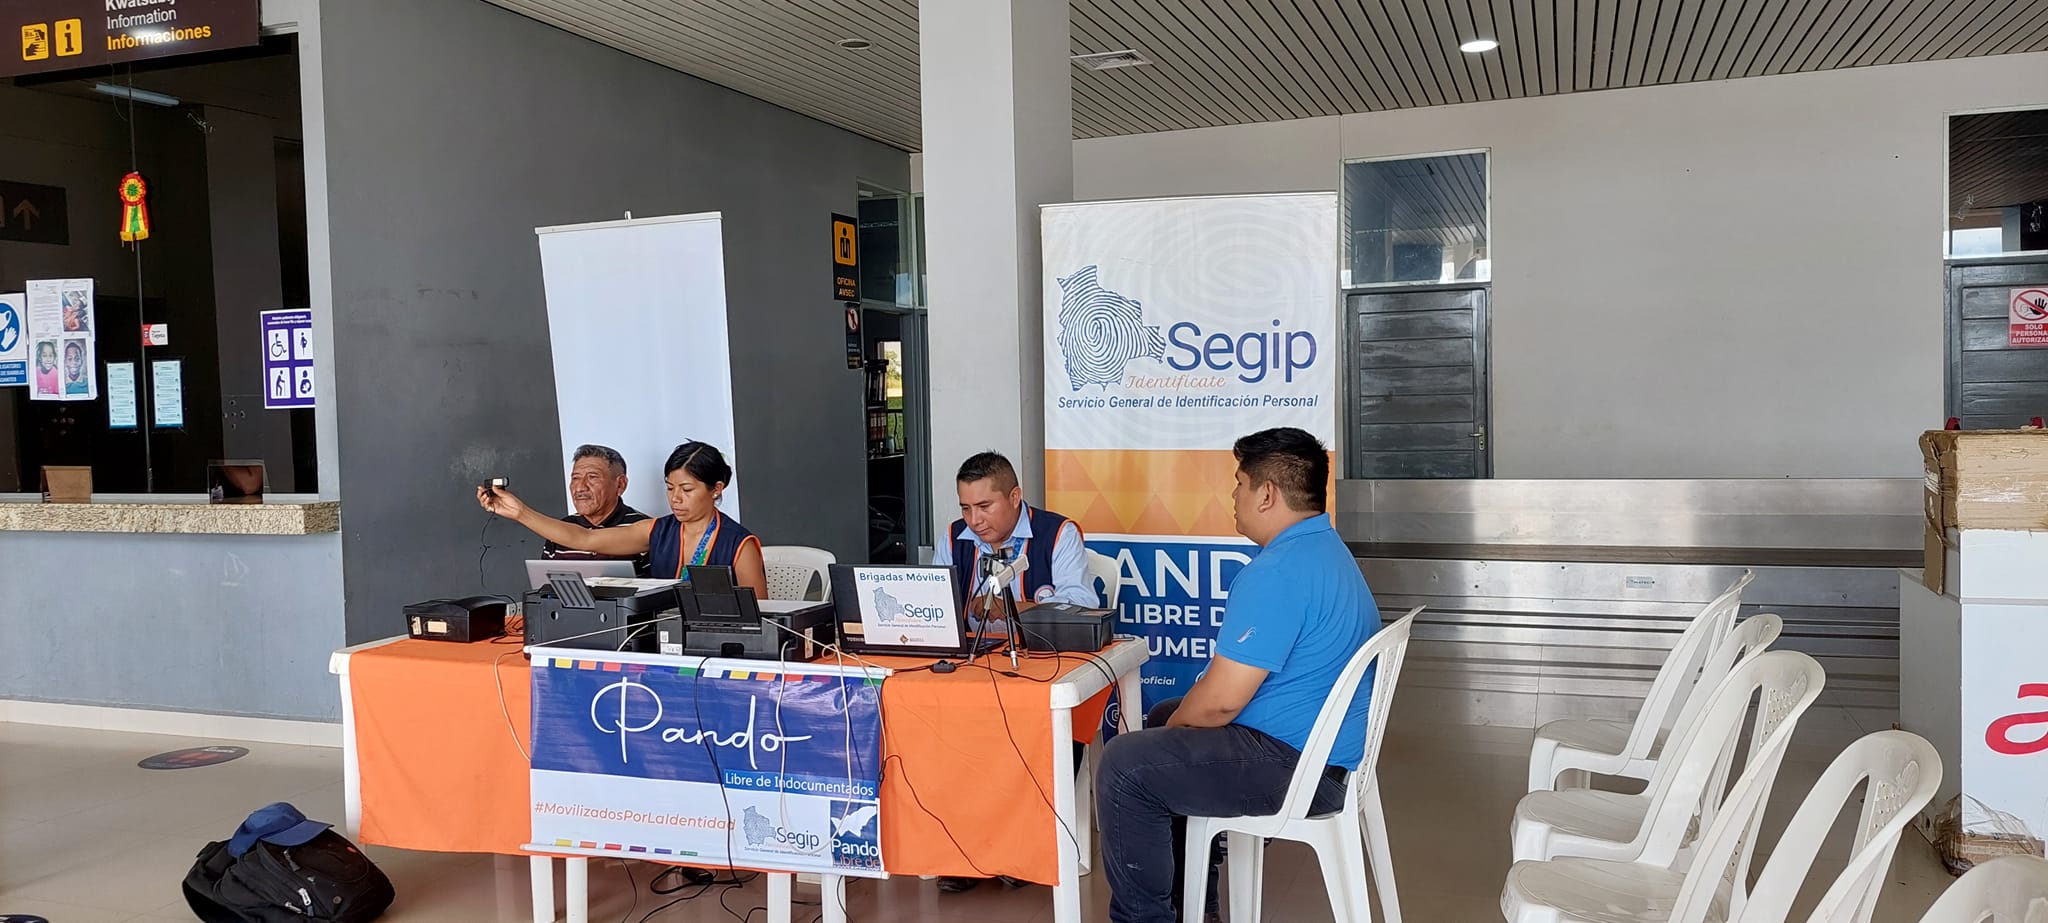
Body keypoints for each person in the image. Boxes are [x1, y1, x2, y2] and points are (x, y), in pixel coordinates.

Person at [1095, 427, 1382, 923]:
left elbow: (1221, 702)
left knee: (1125, 766)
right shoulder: (1324, 548)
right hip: (1322, 753)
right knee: (1163, 718)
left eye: (1239, 483)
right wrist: (1175, 725)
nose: (1234, 495)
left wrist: (1179, 728)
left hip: (1299, 768)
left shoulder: (1278, 571)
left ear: (1266, 493)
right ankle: (1193, 908)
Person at [930, 451, 1097, 895]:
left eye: (985, 507)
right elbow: (937, 603)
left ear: (1015, 496)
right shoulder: (954, 537)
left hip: (1043, 665)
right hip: (974, 667)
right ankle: (964, 850)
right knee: (939, 727)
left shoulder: (1058, 534)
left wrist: (1011, 609)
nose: (974, 520)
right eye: (966, 508)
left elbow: (1080, 605)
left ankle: (1020, 847)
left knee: (1048, 731)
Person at [476, 440, 766, 598]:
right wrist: (519, 512)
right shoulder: (657, 530)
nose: (676, 498)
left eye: (687, 490)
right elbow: (585, 538)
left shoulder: (739, 544)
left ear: (716, 489)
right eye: (669, 488)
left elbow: (764, 617)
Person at [541, 444, 652, 576]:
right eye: (575, 478)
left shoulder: (644, 528)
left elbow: (658, 587)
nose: (580, 488)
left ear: (620, 484)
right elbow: (544, 584)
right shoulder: (561, 529)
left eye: (592, 477)